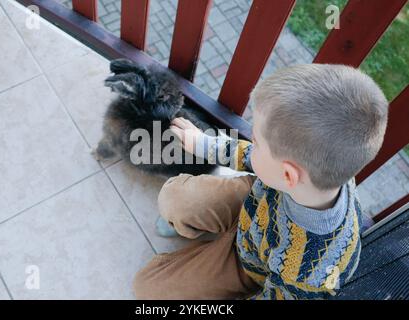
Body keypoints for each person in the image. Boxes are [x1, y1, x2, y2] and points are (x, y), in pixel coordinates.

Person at [133, 64, 388, 299]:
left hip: (250, 265)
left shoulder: (309, 272)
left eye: (255, 142)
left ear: (288, 175)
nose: (250, 143)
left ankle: (204, 257)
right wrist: (204, 143)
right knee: (174, 197)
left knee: (148, 289)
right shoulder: (323, 169)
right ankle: (198, 235)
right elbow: (259, 161)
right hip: (256, 204)